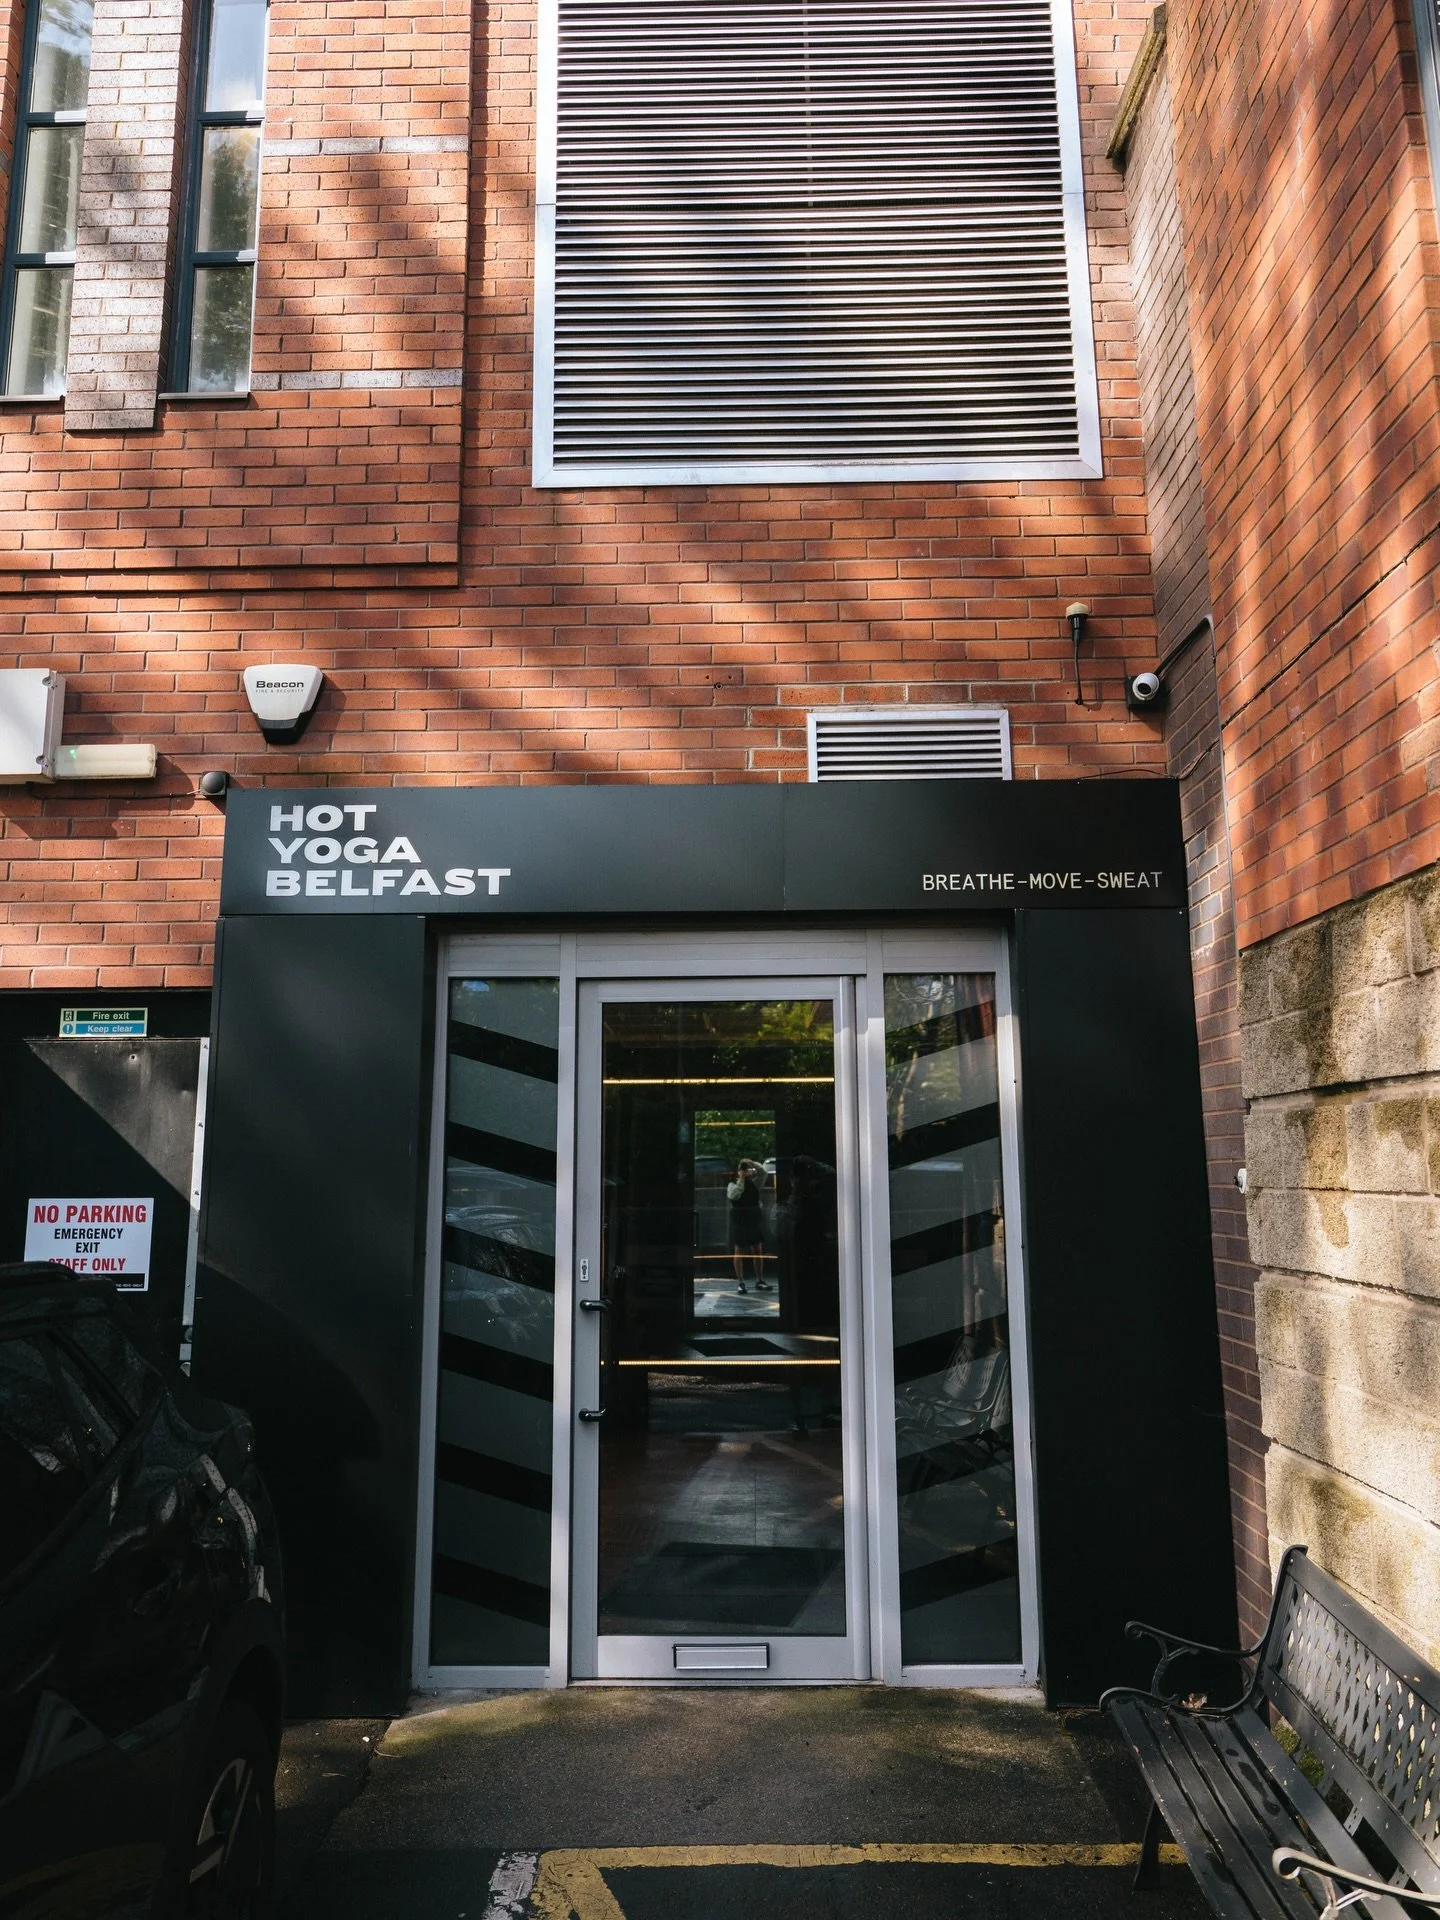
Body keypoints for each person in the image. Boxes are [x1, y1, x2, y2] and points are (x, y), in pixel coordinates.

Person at [726, 1158, 768, 1292]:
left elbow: (763, 1173)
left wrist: (752, 1163)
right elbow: (735, 1196)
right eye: (742, 1169)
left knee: (757, 1251)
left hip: (753, 1221)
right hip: (740, 1222)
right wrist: (741, 1179)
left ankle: (759, 1280)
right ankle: (741, 1282)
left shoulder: (754, 1184)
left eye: (747, 1170)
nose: (745, 1172)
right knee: (739, 1251)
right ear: (738, 1172)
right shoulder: (732, 1185)